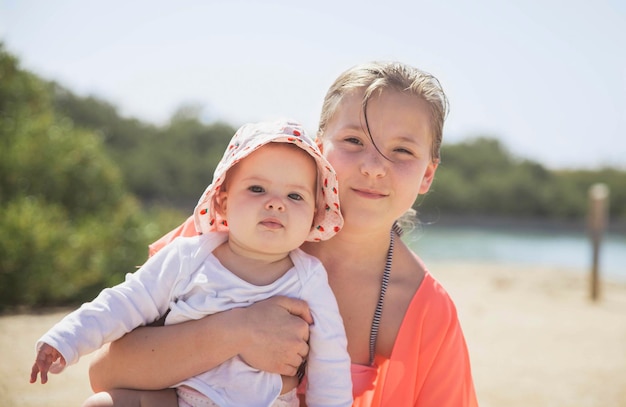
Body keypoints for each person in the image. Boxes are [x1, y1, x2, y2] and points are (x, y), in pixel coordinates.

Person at [88, 61, 479, 406]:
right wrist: (236, 332)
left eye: (402, 151)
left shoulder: (426, 311)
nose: (374, 166)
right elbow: (106, 376)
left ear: (428, 174)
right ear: (318, 147)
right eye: (354, 141)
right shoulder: (227, 234)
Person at [30, 120, 352, 407]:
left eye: (295, 196)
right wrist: (66, 339)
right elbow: (125, 300)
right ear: (223, 203)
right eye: (257, 188)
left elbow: (330, 363)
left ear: (314, 215)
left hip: (264, 400)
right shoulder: (188, 257)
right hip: (179, 395)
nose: (275, 203)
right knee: (100, 404)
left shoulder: (308, 280)